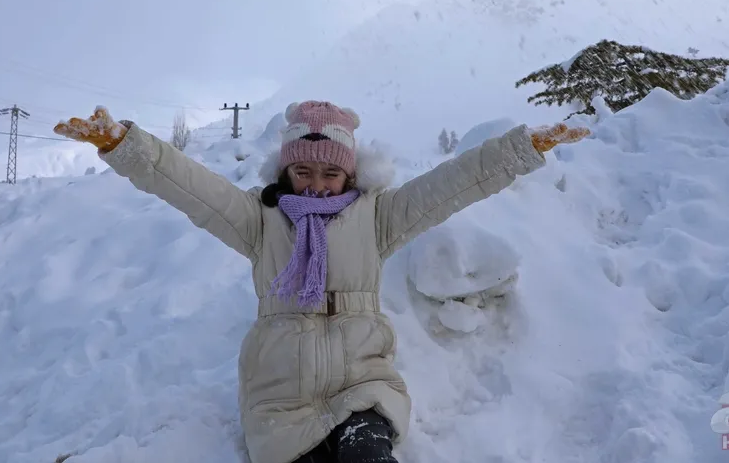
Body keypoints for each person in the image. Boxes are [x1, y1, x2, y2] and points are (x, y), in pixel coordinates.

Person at [54, 101, 589, 463]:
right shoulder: (256, 221)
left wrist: (521, 150)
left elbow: (452, 184)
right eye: (302, 173)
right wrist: (125, 145)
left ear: (350, 175)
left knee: (367, 453)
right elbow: (187, 185)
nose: (315, 185)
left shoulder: (379, 217)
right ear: (285, 173)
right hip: (281, 392)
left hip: (362, 384)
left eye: (330, 174)